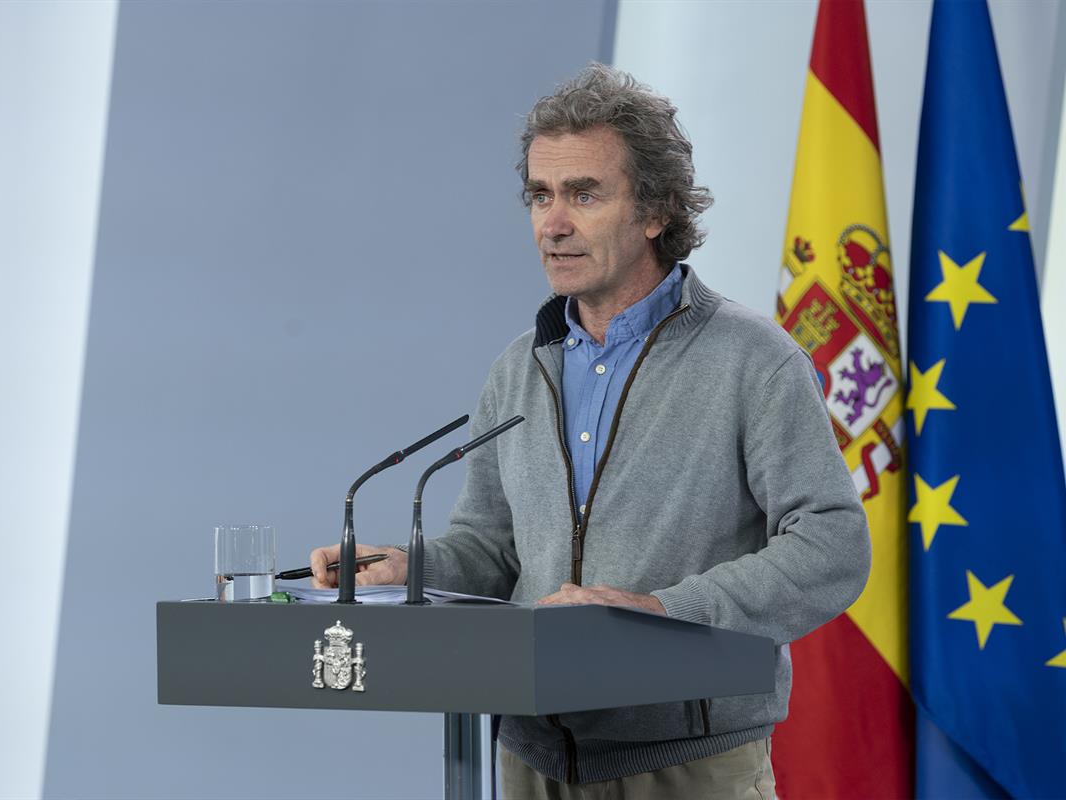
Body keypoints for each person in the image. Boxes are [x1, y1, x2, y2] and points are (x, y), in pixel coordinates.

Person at [310, 63, 870, 799]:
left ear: (655, 211)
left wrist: (663, 613)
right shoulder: (519, 366)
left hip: (687, 767)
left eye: (584, 194)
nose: (554, 223)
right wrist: (410, 571)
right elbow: (494, 549)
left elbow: (832, 545)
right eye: (540, 196)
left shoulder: (753, 361)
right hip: (528, 759)